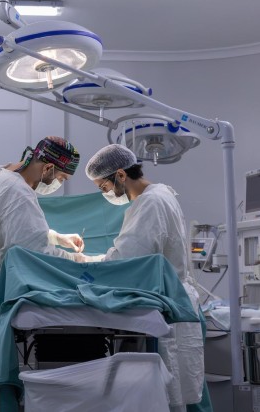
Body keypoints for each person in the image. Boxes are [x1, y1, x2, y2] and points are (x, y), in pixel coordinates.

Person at [81, 144, 210, 412]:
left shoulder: (151, 203)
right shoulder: (160, 194)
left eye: (103, 186)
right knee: (186, 393)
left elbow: (127, 259)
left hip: (171, 307)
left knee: (174, 394)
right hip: (179, 301)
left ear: (120, 174)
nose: (104, 193)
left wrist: (86, 269)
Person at [0, 136, 85, 318]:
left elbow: (5, 228)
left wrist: (55, 237)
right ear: (48, 168)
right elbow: (34, 254)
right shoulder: (18, 192)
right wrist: (77, 260)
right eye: (62, 178)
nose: (59, 183)